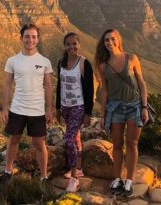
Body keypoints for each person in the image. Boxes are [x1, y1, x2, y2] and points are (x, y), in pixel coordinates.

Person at [95, 28, 149, 197]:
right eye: (106, 40)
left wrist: (145, 107)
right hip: (115, 109)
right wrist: (103, 114)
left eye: (112, 39)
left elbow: (142, 84)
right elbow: (104, 91)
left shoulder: (131, 58)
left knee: (132, 144)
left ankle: (129, 181)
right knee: (117, 145)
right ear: (103, 44)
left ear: (118, 40)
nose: (109, 42)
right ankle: (117, 178)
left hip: (134, 107)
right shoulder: (103, 66)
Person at [1, 24, 53, 181]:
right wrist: (5, 108)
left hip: (37, 110)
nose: (30, 40)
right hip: (17, 108)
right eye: (27, 36)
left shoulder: (44, 61)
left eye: (33, 37)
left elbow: (49, 86)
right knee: (13, 140)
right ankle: (8, 171)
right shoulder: (12, 61)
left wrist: (49, 109)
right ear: (21, 38)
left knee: (39, 144)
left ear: (38, 39)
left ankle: (43, 176)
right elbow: (7, 84)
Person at [56, 32, 94, 193]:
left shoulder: (84, 63)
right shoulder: (61, 63)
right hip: (66, 107)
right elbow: (60, 86)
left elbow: (90, 89)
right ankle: (78, 168)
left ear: (79, 45)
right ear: (64, 46)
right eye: (68, 44)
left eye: (74, 44)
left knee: (68, 139)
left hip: (79, 106)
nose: (72, 47)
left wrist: (88, 113)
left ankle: (74, 179)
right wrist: (57, 107)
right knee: (76, 136)